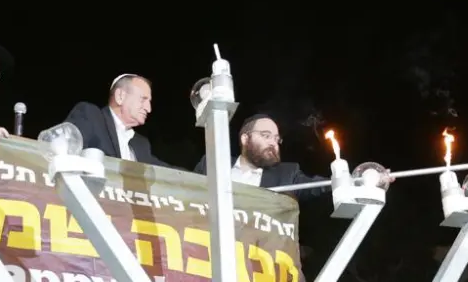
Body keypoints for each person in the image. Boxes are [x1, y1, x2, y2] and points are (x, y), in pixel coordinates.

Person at [194, 114, 328, 200]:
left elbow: (317, 186)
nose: (273, 143)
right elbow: (185, 192)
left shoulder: (287, 175)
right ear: (245, 139)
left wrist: (342, 180)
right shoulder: (211, 164)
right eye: (266, 135)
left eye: (276, 139)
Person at [63, 74, 173, 167]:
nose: (148, 109)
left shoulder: (141, 144)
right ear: (120, 96)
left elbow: (166, 171)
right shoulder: (91, 116)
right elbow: (61, 150)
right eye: (143, 99)